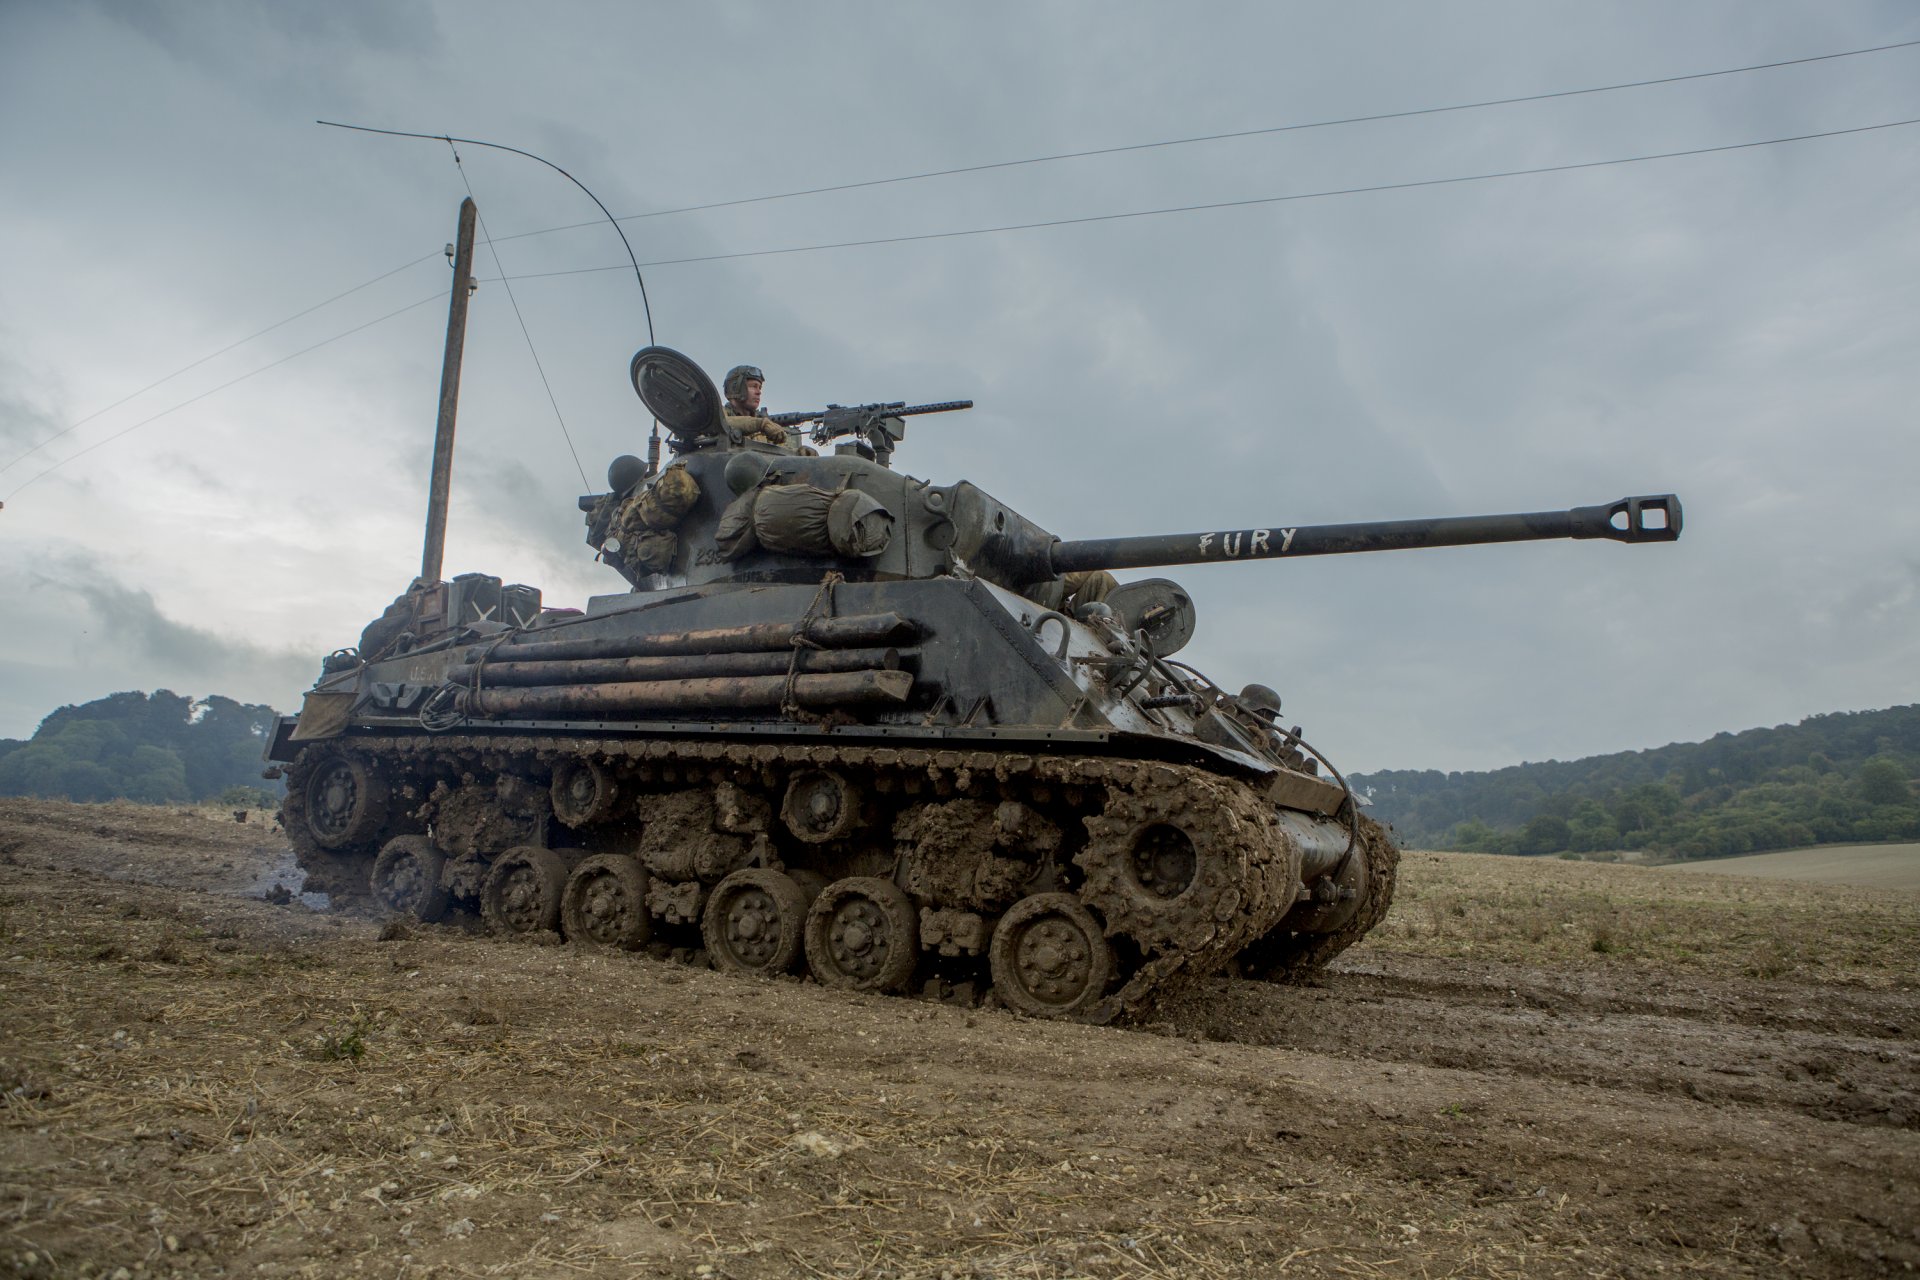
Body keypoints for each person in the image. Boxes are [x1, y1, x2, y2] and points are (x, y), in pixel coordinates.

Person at [722, 364, 790, 448]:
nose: (759, 392)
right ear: (735, 388)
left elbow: (782, 450)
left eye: (760, 388)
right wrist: (761, 424)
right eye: (754, 386)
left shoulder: (762, 427)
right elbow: (723, 422)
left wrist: (800, 452)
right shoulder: (718, 414)